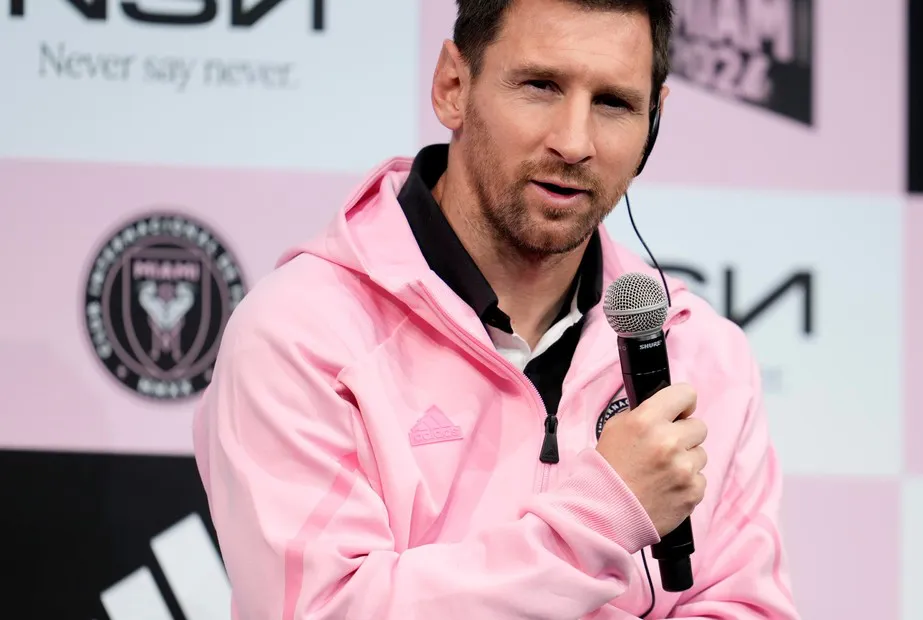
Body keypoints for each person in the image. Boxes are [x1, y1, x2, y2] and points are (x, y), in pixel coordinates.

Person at [192, 0, 799, 617]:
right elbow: (326, 610)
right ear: (454, 86)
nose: (573, 142)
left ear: (654, 123)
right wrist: (604, 514)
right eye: (540, 86)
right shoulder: (302, 333)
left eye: (613, 103)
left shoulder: (700, 352)